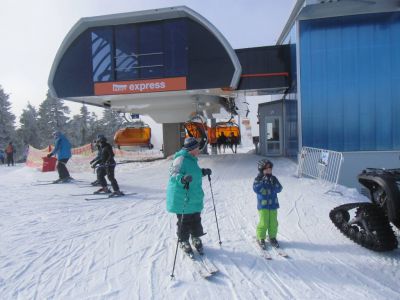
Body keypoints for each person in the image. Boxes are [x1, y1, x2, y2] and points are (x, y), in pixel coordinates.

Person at [166, 137, 212, 254]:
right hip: (183, 197)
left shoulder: (192, 159)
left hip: (193, 196)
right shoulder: (180, 158)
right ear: (192, 149)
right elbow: (173, 173)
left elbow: (193, 173)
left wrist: (202, 172)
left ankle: (195, 237)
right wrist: (182, 179)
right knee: (184, 221)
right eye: (197, 148)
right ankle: (183, 240)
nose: (199, 149)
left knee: (196, 219)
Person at [253, 159, 283, 248]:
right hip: (263, 206)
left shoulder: (273, 178)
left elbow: (279, 189)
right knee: (264, 222)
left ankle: (272, 237)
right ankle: (261, 237)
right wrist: (263, 182)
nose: (269, 171)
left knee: (273, 222)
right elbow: (255, 189)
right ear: (261, 170)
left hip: (273, 205)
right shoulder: (258, 179)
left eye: (270, 169)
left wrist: (274, 184)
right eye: (266, 169)